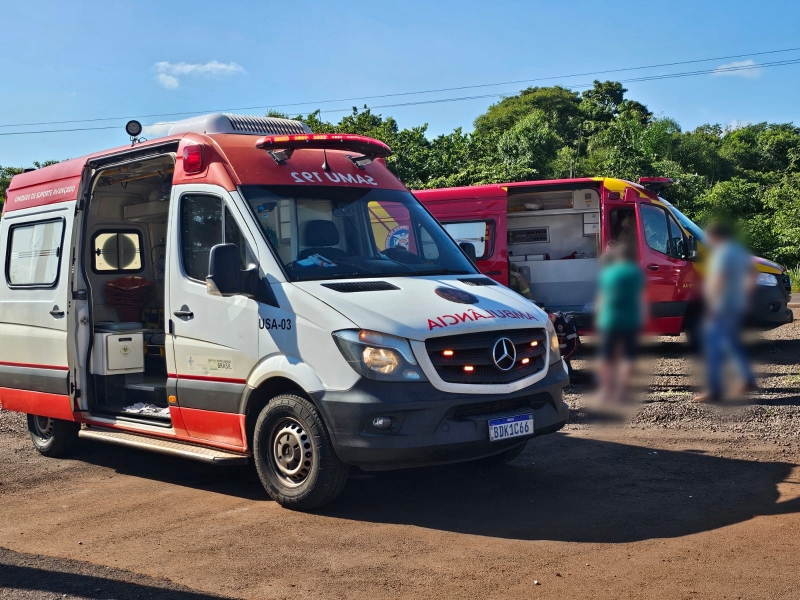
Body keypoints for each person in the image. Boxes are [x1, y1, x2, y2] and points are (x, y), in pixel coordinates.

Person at [694, 222, 757, 403]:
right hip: (736, 304)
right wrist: (745, 296)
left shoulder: (721, 254)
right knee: (732, 342)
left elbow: (718, 280)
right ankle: (748, 380)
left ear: (716, 236)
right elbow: (753, 274)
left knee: (712, 346)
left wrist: (712, 305)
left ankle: (714, 390)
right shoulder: (738, 251)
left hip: (722, 306)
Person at [596, 243, 646, 403]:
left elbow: (602, 298)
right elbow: (640, 297)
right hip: (630, 319)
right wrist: (642, 317)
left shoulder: (608, 273)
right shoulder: (636, 273)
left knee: (607, 357)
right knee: (627, 357)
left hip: (609, 319)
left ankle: (605, 392)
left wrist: (599, 316)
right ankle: (621, 393)